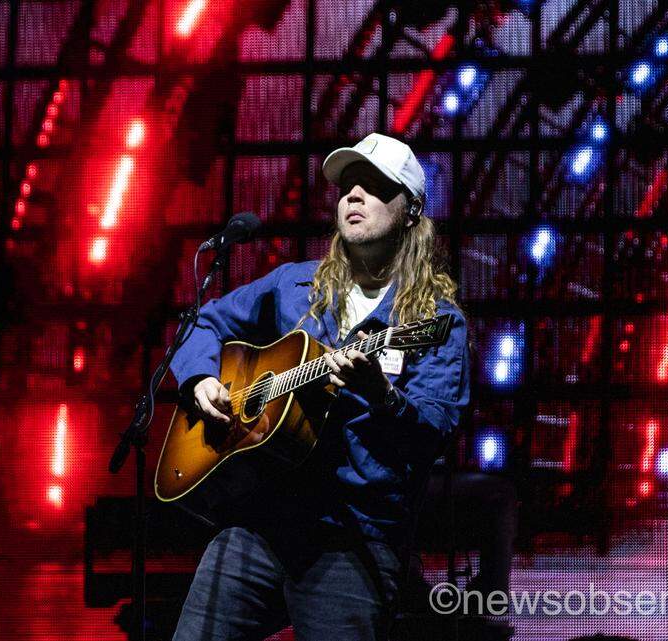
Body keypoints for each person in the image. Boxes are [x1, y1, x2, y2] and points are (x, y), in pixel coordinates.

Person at [168, 132, 471, 641]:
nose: (352, 195)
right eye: (347, 186)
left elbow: (435, 431)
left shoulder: (433, 320)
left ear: (411, 211)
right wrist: (200, 378)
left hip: (354, 536)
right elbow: (202, 323)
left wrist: (383, 397)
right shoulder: (292, 284)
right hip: (261, 519)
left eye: (373, 186)